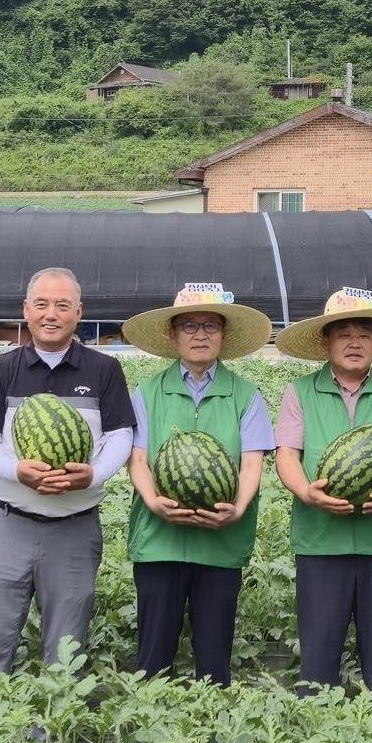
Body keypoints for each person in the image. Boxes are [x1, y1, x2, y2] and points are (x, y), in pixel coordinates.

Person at [0, 267, 135, 672]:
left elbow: (121, 436)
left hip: (74, 527)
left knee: (66, 648)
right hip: (9, 523)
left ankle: (51, 732)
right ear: (26, 310)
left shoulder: (104, 369)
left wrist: (93, 475)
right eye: (41, 304)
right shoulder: (1, 370)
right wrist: (15, 469)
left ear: (79, 312)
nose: (51, 313)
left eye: (62, 305)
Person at [274, 288, 372, 693]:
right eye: (344, 333)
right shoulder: (300, 391)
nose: (355, 342)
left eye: (364, 333)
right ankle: (316, 733)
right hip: (320, 543)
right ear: (326, 341)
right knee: (318, 655)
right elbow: (287, 456)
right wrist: (307, 492)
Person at [121, 283, 274, 685]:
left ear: (223, 335)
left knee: (214, 655)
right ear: (173, 335)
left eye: (210, 325)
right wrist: (153, 500)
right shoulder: (148, 391)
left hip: (221, 544)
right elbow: (136, 458)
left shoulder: (246, 394)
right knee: (153, 656)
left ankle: (211, 733)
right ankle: (149, 730)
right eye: (189, 325)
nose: (200, 334)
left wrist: (237, 509)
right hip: (159, 542)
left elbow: (252, 461)